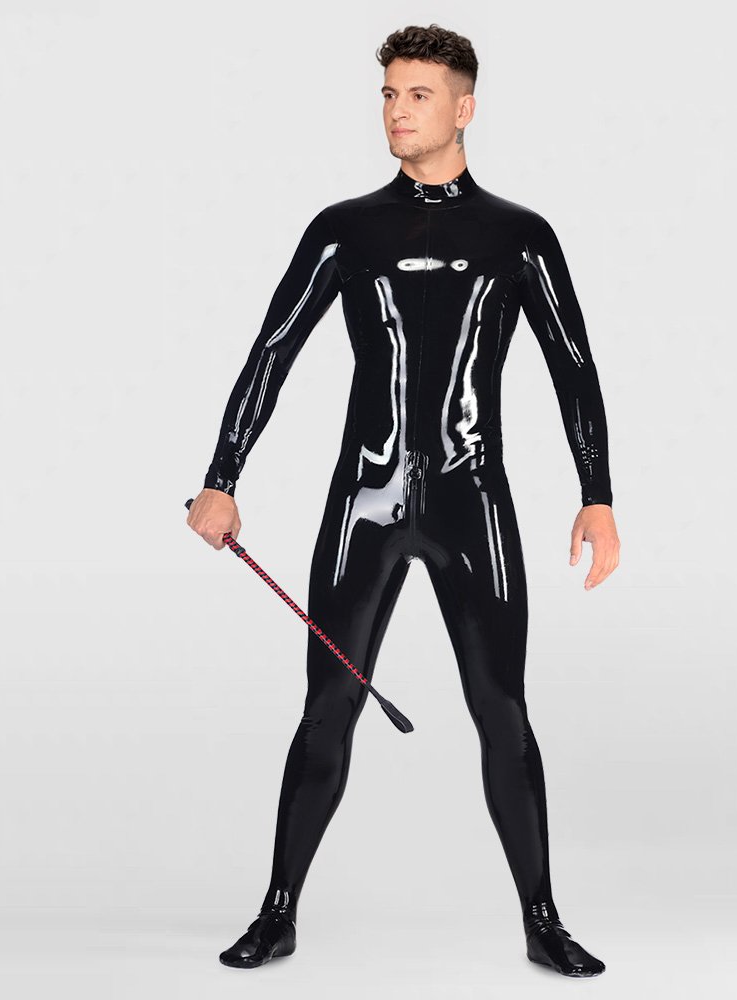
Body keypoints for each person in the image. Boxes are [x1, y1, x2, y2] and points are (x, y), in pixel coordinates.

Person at [186, 23, 620, 978]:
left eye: (418, 95)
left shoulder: (519, 235)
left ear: (465, 108)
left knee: (501, 709)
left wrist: (597, 494)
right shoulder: (344, 228)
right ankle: (278, 911)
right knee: (328, 706)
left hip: (472, 496)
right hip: (367, 497)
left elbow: (574, 368)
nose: (397, 110)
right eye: (389, 93)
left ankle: (542, 918)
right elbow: (272, 351)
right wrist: (223, 475)